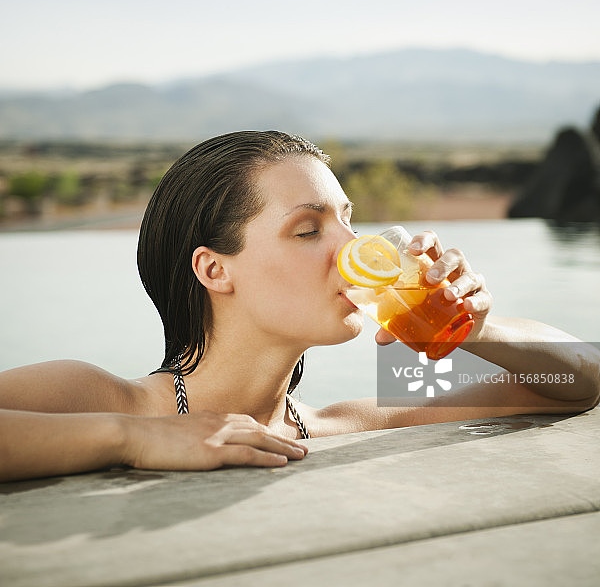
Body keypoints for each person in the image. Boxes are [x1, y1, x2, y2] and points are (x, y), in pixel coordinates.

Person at [1, 130, 599, 482]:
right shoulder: (103, 400)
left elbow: (578, 381)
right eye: (308, 230)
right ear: (214, 270)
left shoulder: (348, 424)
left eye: (349, 221)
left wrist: (476, 329)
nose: (355, 249)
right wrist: (132, 439)